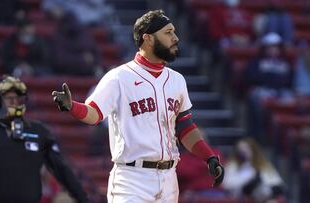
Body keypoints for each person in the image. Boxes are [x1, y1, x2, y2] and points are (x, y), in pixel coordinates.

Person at [52, 10, 224, 202]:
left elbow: (184, 127)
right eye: (168, 33)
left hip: (168, 178)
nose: (175, 38)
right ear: (148, 39)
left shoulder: (177, 80)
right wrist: (72, 106)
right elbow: (94, 114)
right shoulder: (119, 77)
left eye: (174, 32)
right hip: (132, 178)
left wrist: (209, 157)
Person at [0, 76, 88, 203]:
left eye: (16, 97)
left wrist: (83, 200)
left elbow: (62, 170)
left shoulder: (38, 131)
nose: (13, 101)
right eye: (8, 97)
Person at [222, 137, 284, 202]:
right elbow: (226, 184)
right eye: (240, 149)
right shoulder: (232, 164)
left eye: (246, 148)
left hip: (265, 195)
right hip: (243, 196)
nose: (243, 152)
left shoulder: (263, 164)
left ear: (253, 149)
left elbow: (277, 183)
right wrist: (246, 176)